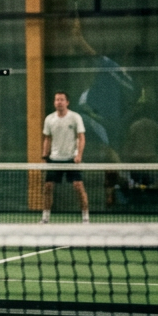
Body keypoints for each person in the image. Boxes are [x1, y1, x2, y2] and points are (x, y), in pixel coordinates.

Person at [41, 91, 90, 223]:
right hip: (54, 159)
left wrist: (79, 155)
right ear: (54, 102)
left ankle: (85, 218)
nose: (59, 102)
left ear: (67, 102)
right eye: (57, 100)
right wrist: (45, 156)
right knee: (48, 187)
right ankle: (45, 218)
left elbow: (81, 137)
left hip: (71, 159)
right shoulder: (49, 119)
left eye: (62, 100)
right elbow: (47, 138)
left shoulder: (75, 117)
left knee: (78, 186)